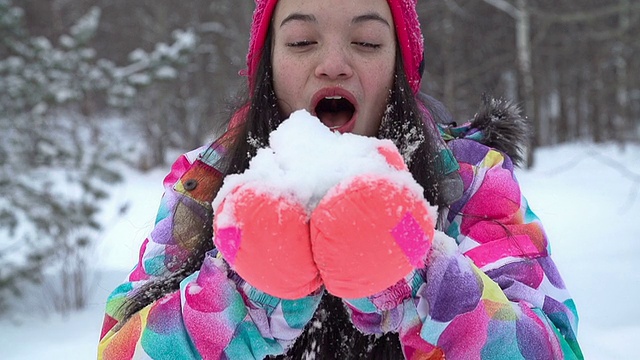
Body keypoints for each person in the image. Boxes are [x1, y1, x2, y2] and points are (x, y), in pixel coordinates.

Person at [98, 0, 583, 359]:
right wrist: (249, 290)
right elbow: (117, 349)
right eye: (301, 42)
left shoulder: (472, 180)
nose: (332, 64)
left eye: (367, 42)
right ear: (268, 64)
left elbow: (555, 347)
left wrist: (409, 271)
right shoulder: (204, 184)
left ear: (398, 65)